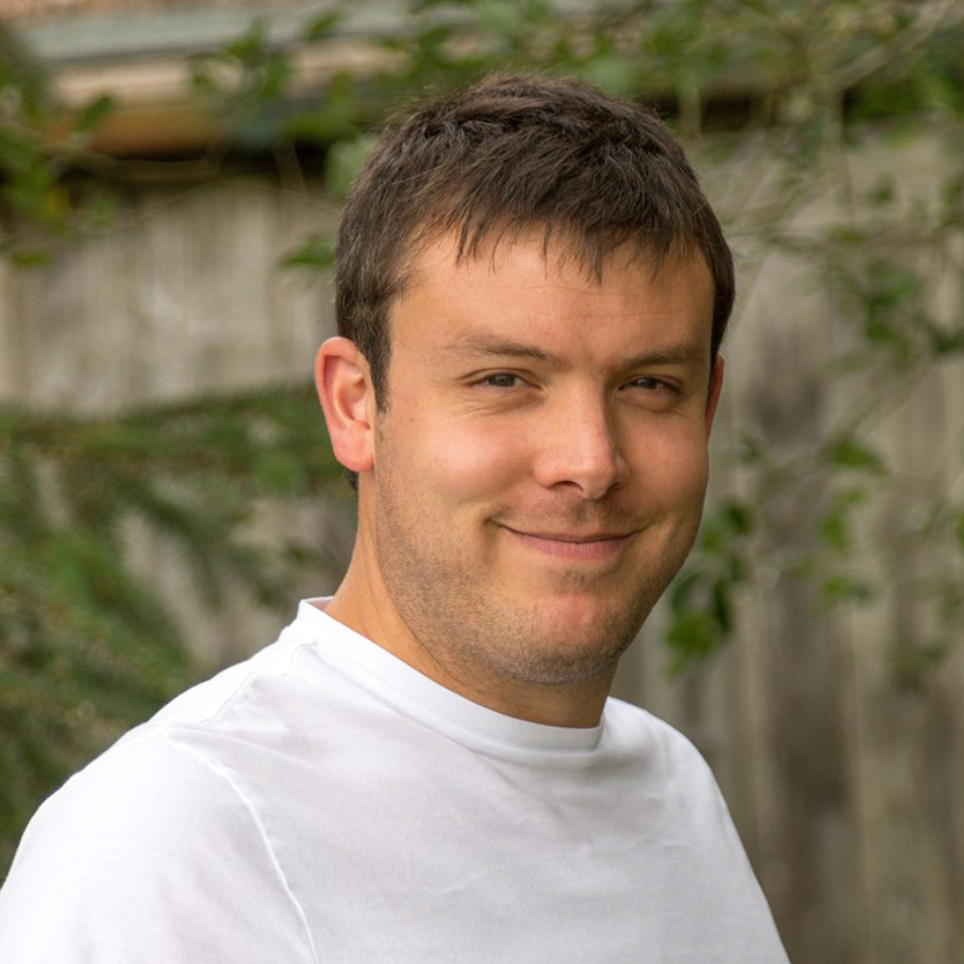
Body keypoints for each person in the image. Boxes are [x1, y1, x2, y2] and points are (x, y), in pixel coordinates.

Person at [0, 74, 789, 962]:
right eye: (504, 380)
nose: (590, 462)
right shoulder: (172, 845)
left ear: (709, 407)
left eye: (649, 385)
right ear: (355, 406)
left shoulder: (672, 790)